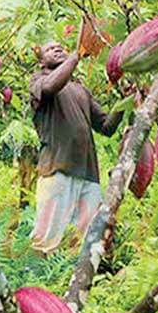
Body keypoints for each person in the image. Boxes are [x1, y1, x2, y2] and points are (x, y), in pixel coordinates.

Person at [28, 41, 123, 256]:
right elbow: (51, 87)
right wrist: (75, 57)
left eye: (61, 46)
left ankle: (93, 280)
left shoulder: (81, 90)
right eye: (51, 49)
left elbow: (106, 127)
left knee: (93, 235)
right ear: (42, 61)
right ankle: (34, 282)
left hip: (88, 174)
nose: (58, 49)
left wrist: (125, 102)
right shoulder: (38, 81)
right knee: (46, 236)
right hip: (56, 169)